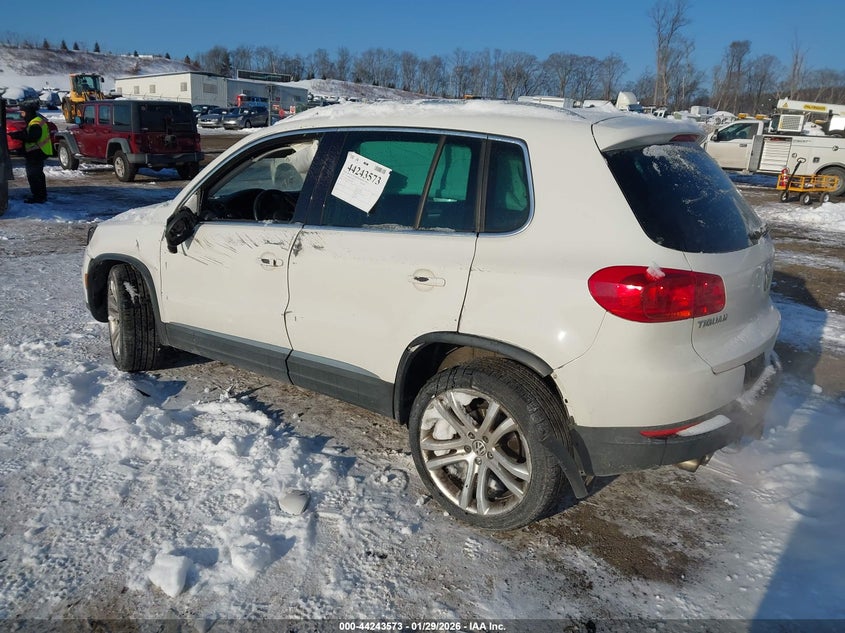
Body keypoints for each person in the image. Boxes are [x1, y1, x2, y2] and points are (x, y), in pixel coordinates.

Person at [9, 102, 53, 203]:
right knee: (38, 175)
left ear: (28, 112)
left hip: (36, 153)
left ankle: (38, 197)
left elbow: (32, 137)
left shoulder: (35, 124)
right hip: (37, 153)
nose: (22, 115)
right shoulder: (35, 121)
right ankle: (41, 195)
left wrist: (18, 136)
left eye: (23, 112)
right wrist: (16, 134)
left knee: (34, 176)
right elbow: (27, 133)